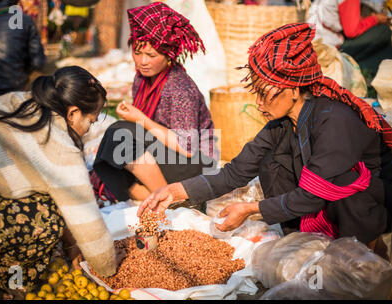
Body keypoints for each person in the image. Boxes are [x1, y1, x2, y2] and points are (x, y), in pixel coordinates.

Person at [138, 23, 392, 249]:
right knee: (271, 163)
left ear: (293, 89)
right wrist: (175, 191)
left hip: (373, 199)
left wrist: (251, 210)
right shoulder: (282, 124)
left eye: (264, 93)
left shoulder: (334, 119)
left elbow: (312, 196)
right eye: (255, 93)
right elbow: (234, 173)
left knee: (345, 188)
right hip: (324, 199)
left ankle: (368, 249)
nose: (258, 103)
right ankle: (302, 237)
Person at [0, 66, 120, 299]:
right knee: (46, 221)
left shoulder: (20, 100)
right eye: (90, 120)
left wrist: (70, 246)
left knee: (44, 202)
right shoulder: (59, 147)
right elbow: (88, 225)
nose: (89, 129)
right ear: (73, 113)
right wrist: (109, 268)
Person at [91, 2, 218, 203]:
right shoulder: (141, 78)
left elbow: (187, 146)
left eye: (151, 55)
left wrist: (140, 119)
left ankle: (168, 198)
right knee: (111, 151)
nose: (142, 61)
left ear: (169, 56)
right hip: (164, 150)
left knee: (119, 135)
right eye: (137, 52)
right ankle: (155, 198)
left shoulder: (179, 89)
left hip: (195, 163)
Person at [307, 0, 392, 75]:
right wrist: (375, 19)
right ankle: (359, 67)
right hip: (329, 48)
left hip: (316, 41)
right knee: (383, 31)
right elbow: (351, 32)